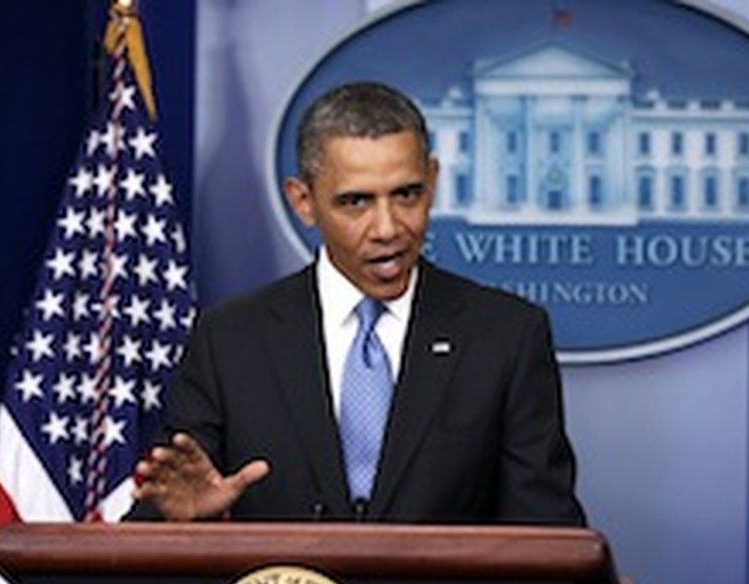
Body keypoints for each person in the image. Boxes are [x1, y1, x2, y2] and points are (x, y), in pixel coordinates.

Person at [128, 81, 585, 525]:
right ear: (303, 202)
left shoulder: (506, 336)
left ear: (433, 179)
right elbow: (162, 515)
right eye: (356, 202)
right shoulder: (229, 339)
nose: (387, 227)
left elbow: (547, 535)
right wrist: (182, 523)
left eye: (407, 194)